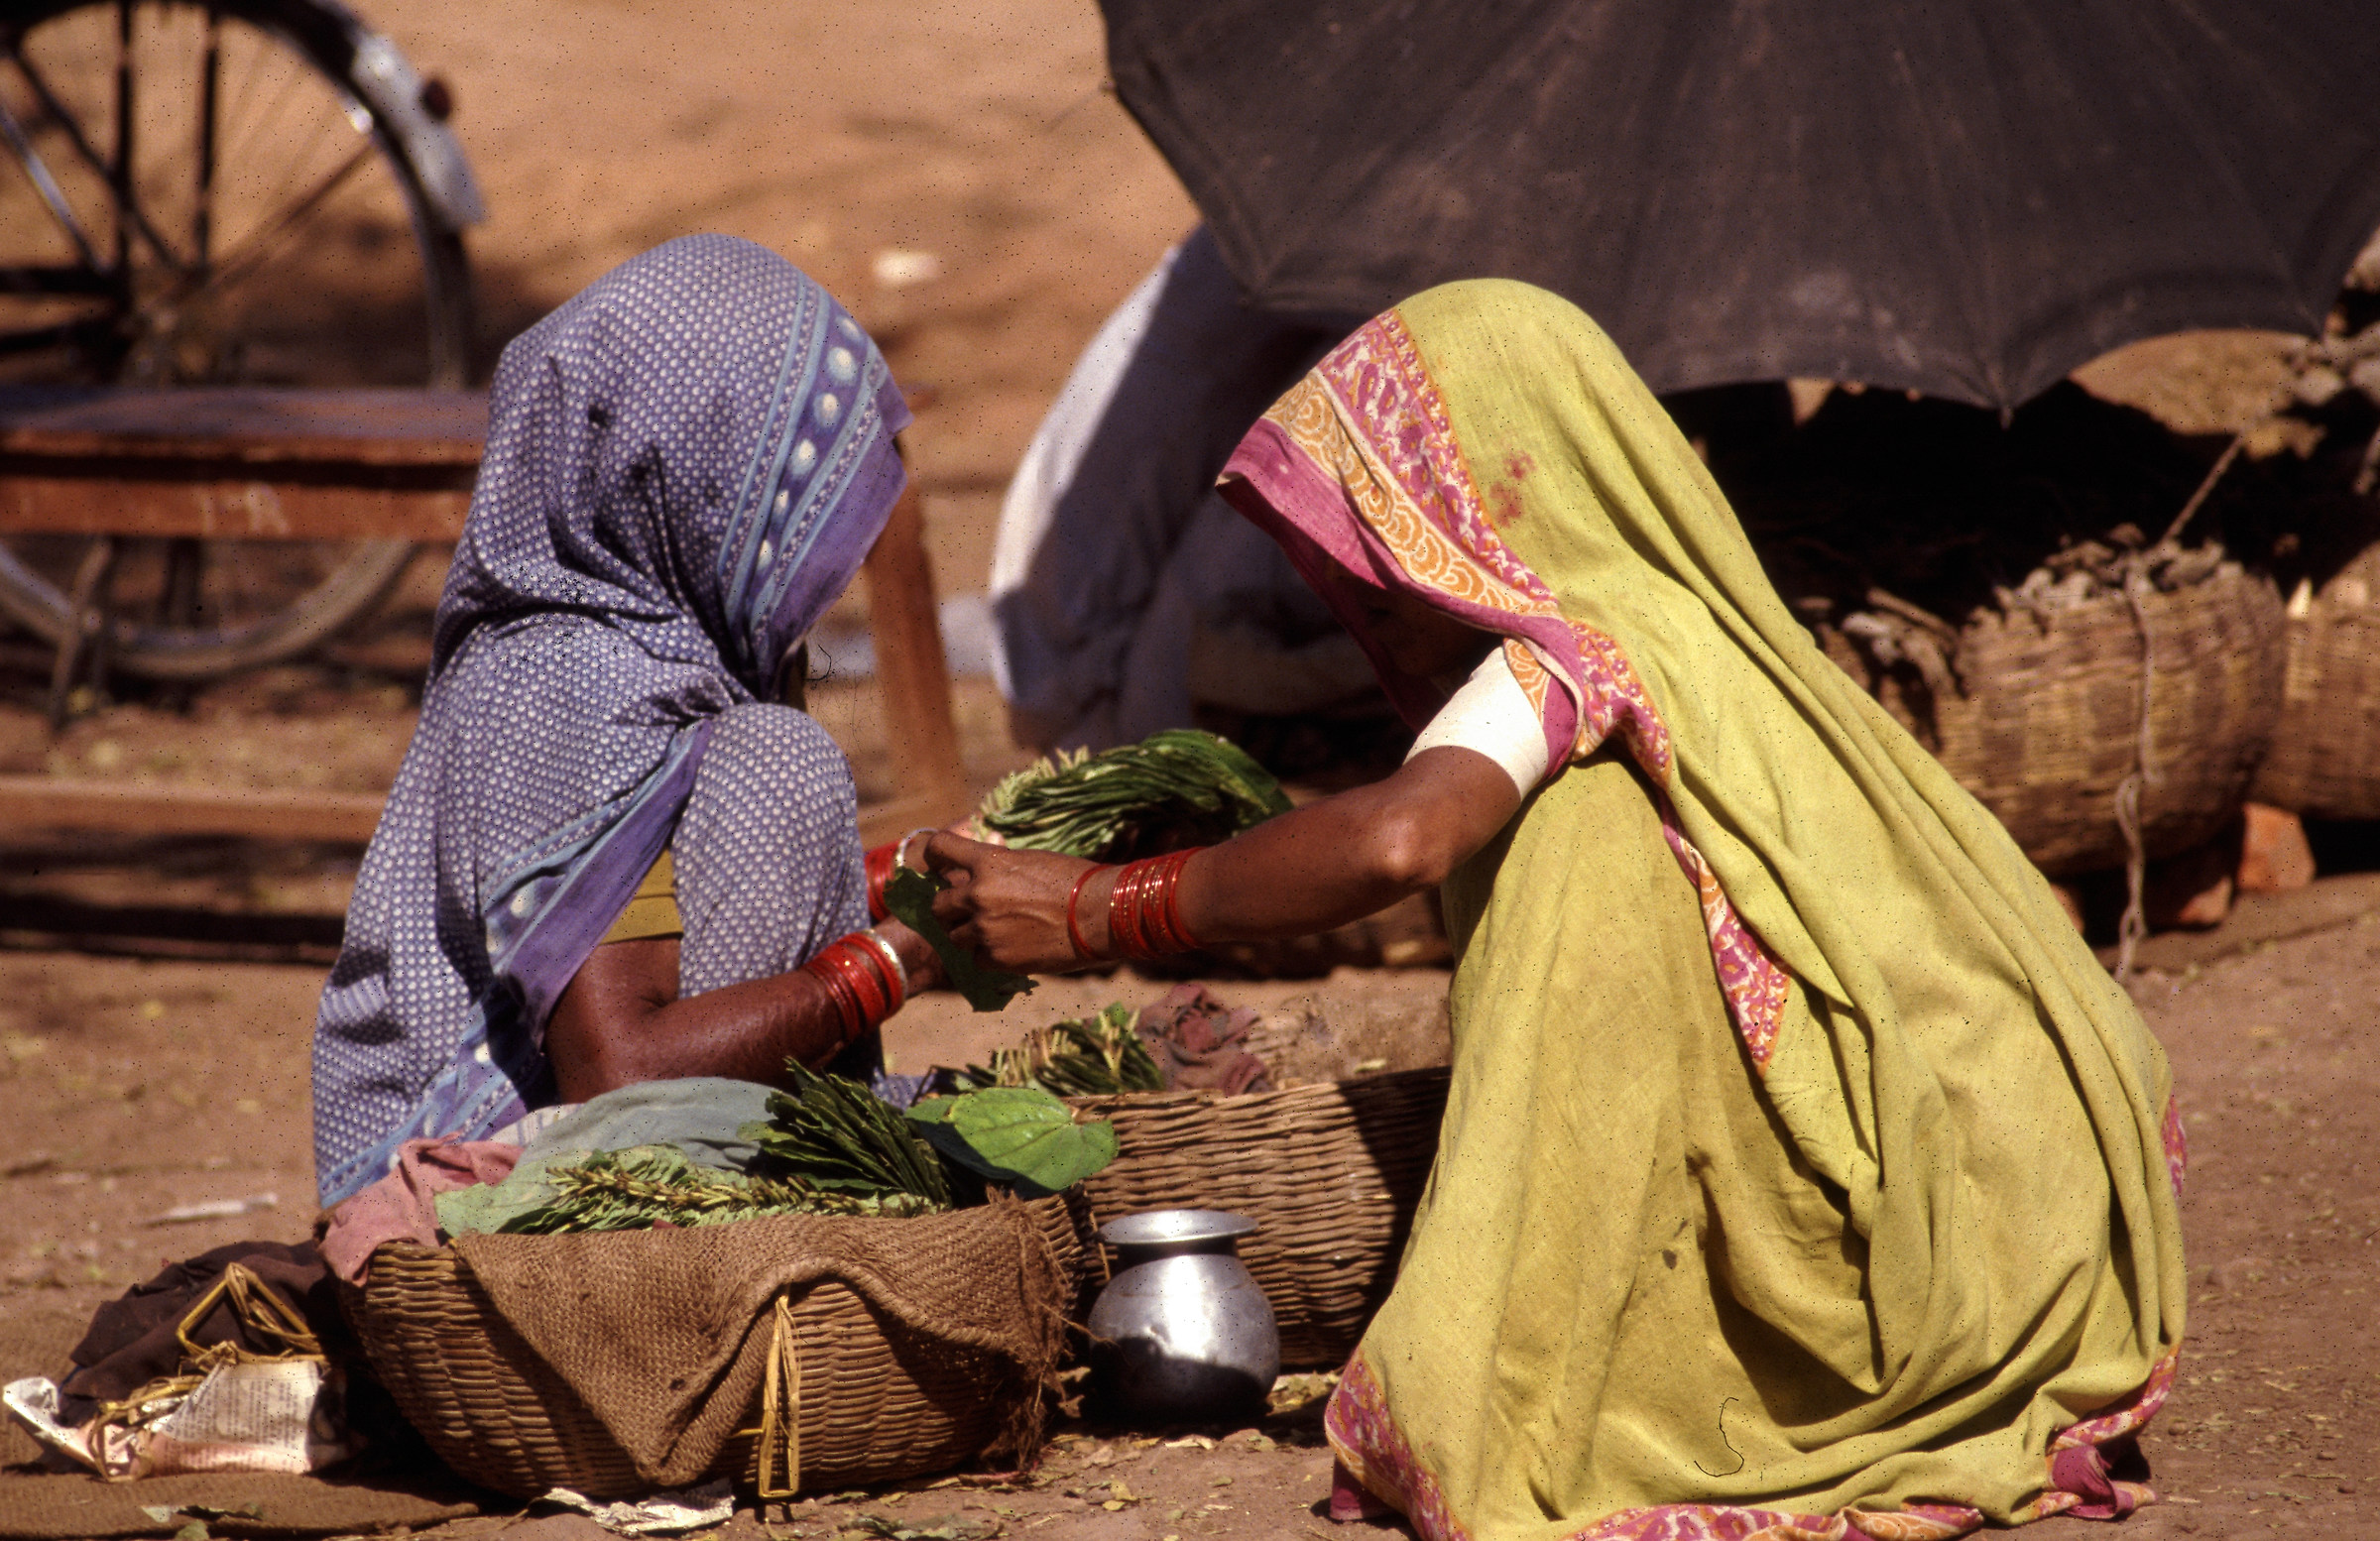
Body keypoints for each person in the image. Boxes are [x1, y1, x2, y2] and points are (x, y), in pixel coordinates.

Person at [928, 281, 2186, 1538]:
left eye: (1382, 550)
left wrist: (1103, 908)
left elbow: (1398, 841)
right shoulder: (1697, 634)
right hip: (2019, 1190)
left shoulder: (1568, 658)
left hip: (1907, 1249)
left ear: (1481, 503)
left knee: (1578, 836)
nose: (1355, 603)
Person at [311, 236, 945, 1210]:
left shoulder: (637, 655)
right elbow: (627, 1079)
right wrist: (904, 952)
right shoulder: (568, 684)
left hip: (590, 1143)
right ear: (701, 493)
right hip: (469, 1186)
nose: (837, 566)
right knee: (781, 764)